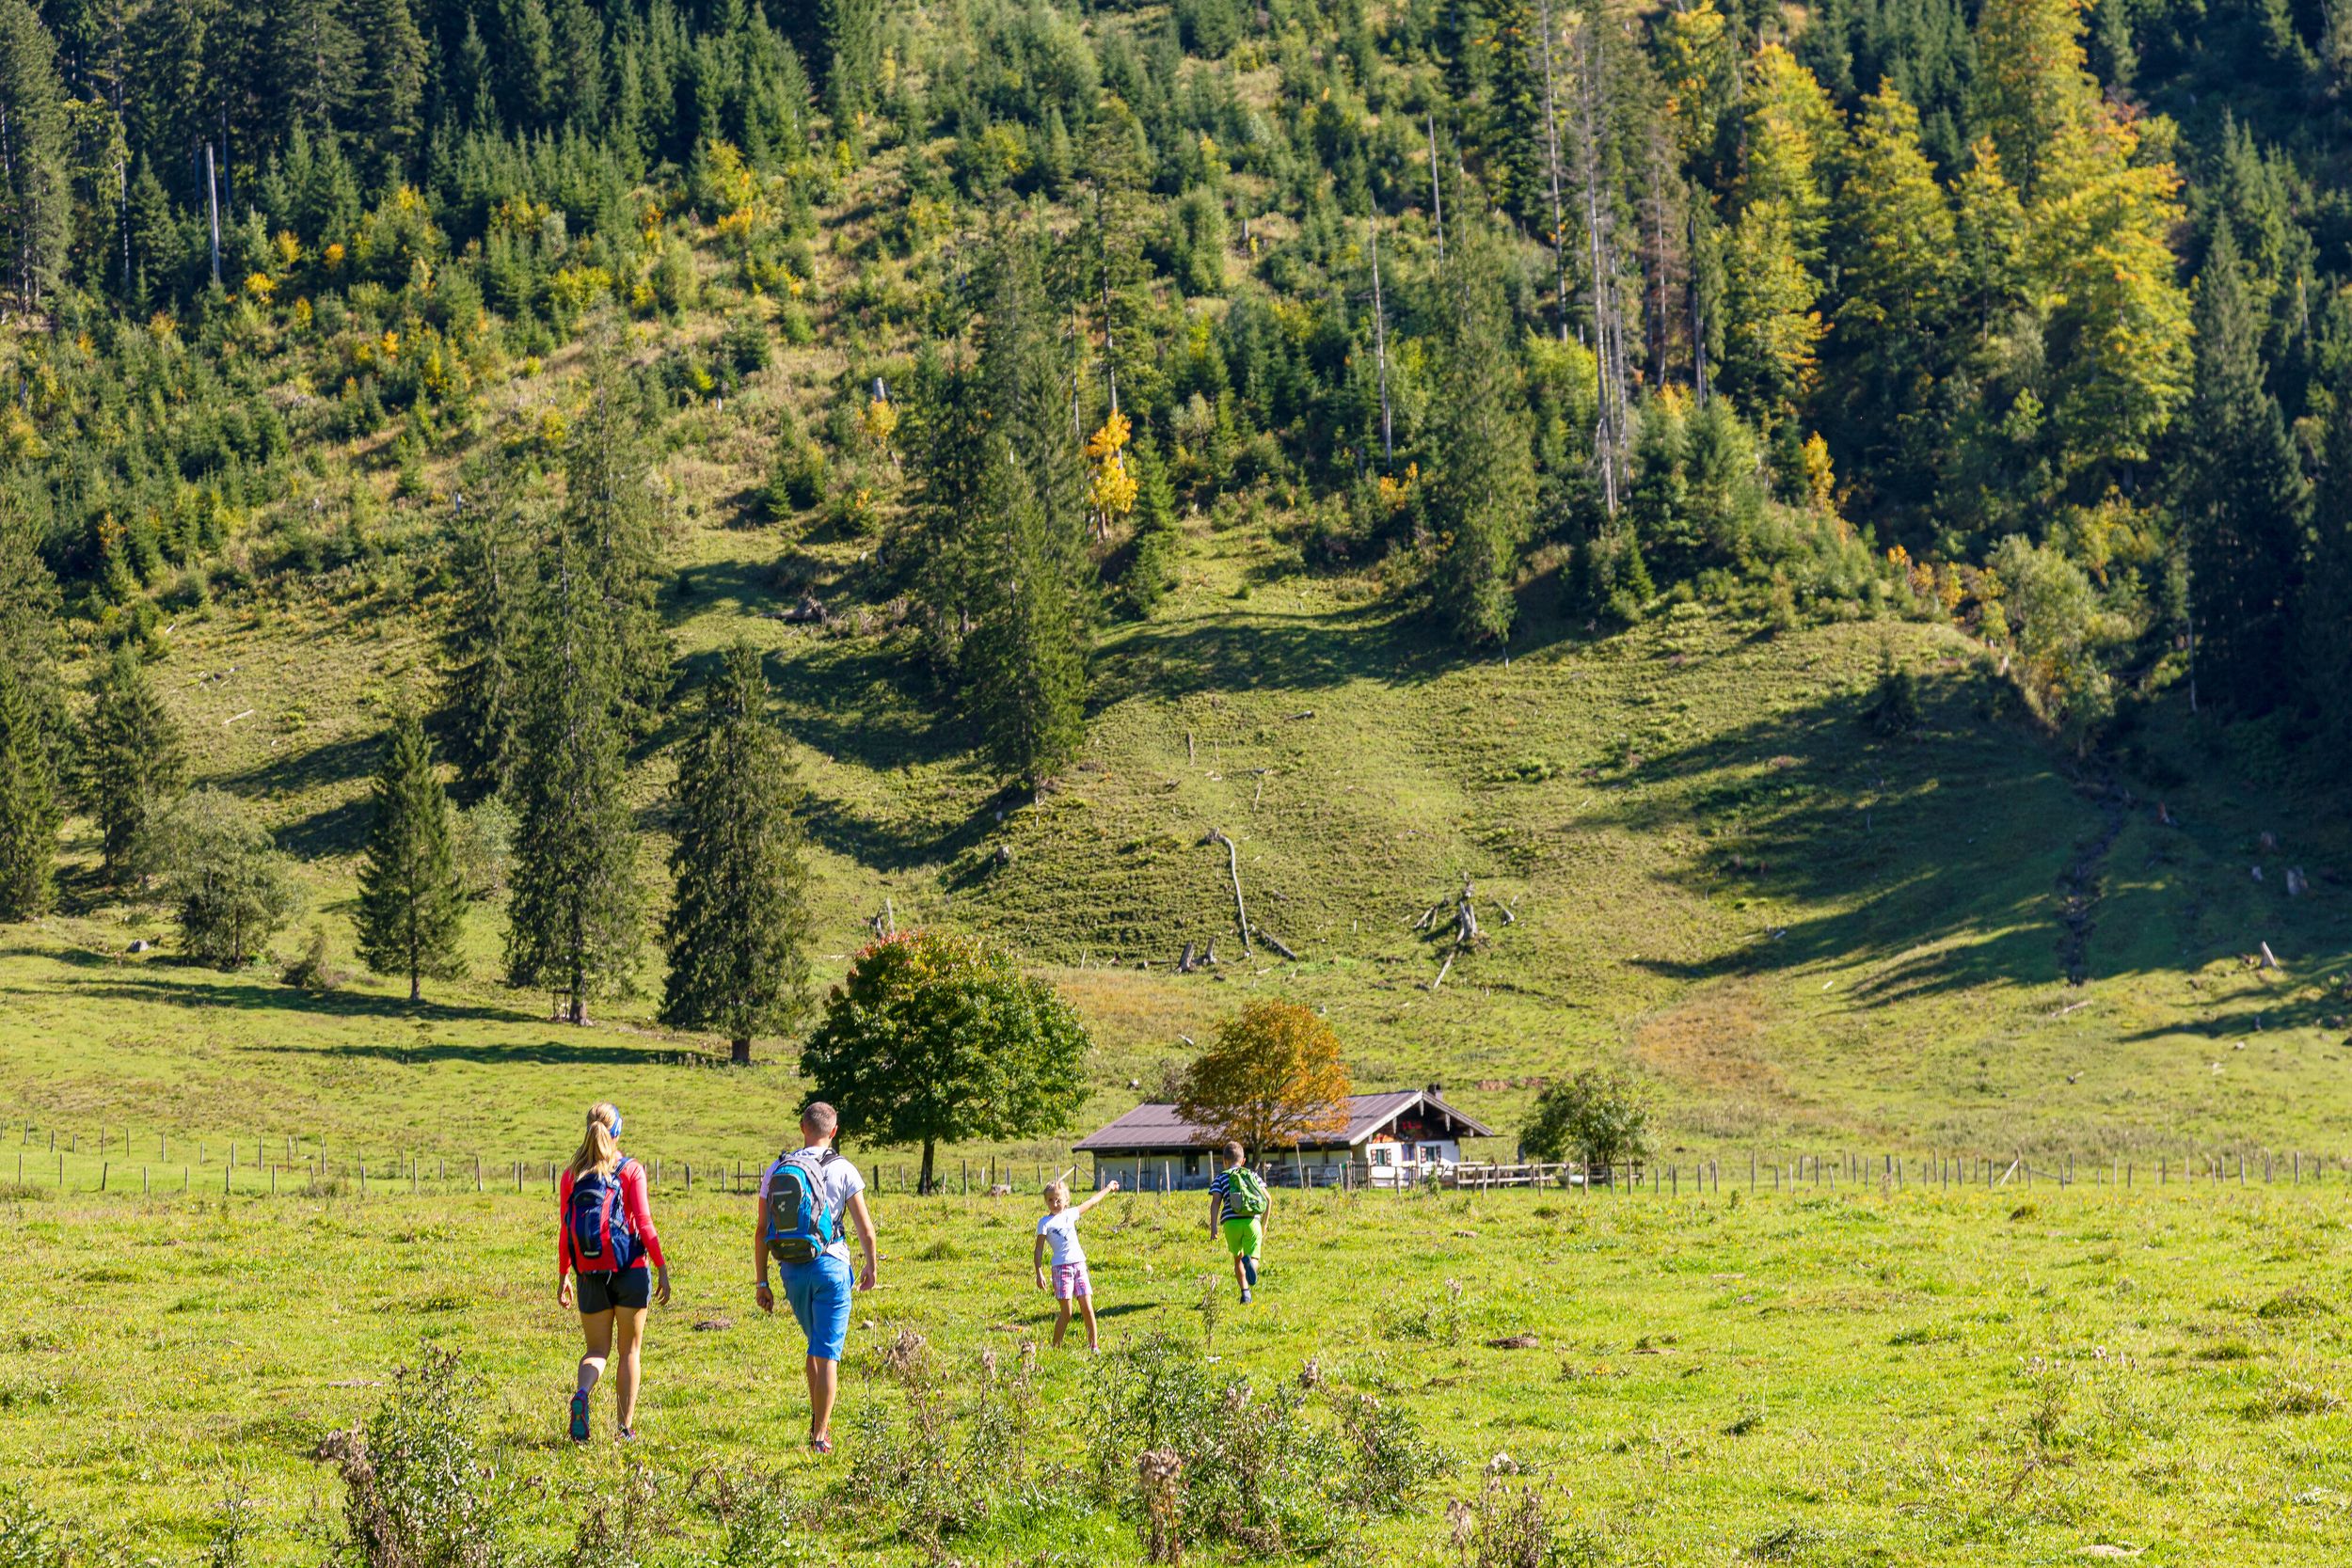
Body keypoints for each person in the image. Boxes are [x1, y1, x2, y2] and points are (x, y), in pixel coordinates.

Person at [754, 1101, 878, 1453]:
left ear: (802, 1126)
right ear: (834, 1131)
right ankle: (820, 1437)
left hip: (791, 1269)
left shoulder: (779, 1166)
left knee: (815, 1345)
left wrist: (762, 1282)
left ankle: (817, 1419)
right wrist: (871, 1265)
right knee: (827, 1353)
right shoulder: (844, 1168)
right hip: (832, 1266)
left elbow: (763, 1228)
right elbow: (865, 1229)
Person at [556, 1102, 670, 1443]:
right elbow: (645, 1223)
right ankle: (624, 1429)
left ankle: (582, 1393)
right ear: (617, 1130)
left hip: (589, 1272)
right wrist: (661, 1266)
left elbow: (565, 1230)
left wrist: (563, 1274)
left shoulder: (571, 1175)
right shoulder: (630, 1169)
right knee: (629, 1351)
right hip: (631, 1269)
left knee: (596, 1351)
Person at [1033, 1176, 1120, 1351]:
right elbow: (1039, 1249)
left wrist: (1109, 1187)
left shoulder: (1071, 1213)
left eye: (1058, 1199)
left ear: (1066, 1201)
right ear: (1046, 1201)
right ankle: (1055, 1347)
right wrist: (1039, 1272)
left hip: (1079, 1264)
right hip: (1061, 1269)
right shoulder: (1044, 1223)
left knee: (1088, 1308)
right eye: (1050, 1200)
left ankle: (1094, 1346)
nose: (1055, 1203)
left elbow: (1092, 1201)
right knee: (1067, 1313)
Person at [1206, 1141, 1269, 1303]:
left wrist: (1213, 1227)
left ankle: (1245, 1293)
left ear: (1224, 1161)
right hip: (1251, 1222)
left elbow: (1215, 1203)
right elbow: (1268, 1199)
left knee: (1237, 1258)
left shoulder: (1221, 1178)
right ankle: (1251, 1265)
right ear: (1243, 1161)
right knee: (1253, 1258)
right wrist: (1264, 1224)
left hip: (1231, 1224)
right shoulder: (1252, 1175)